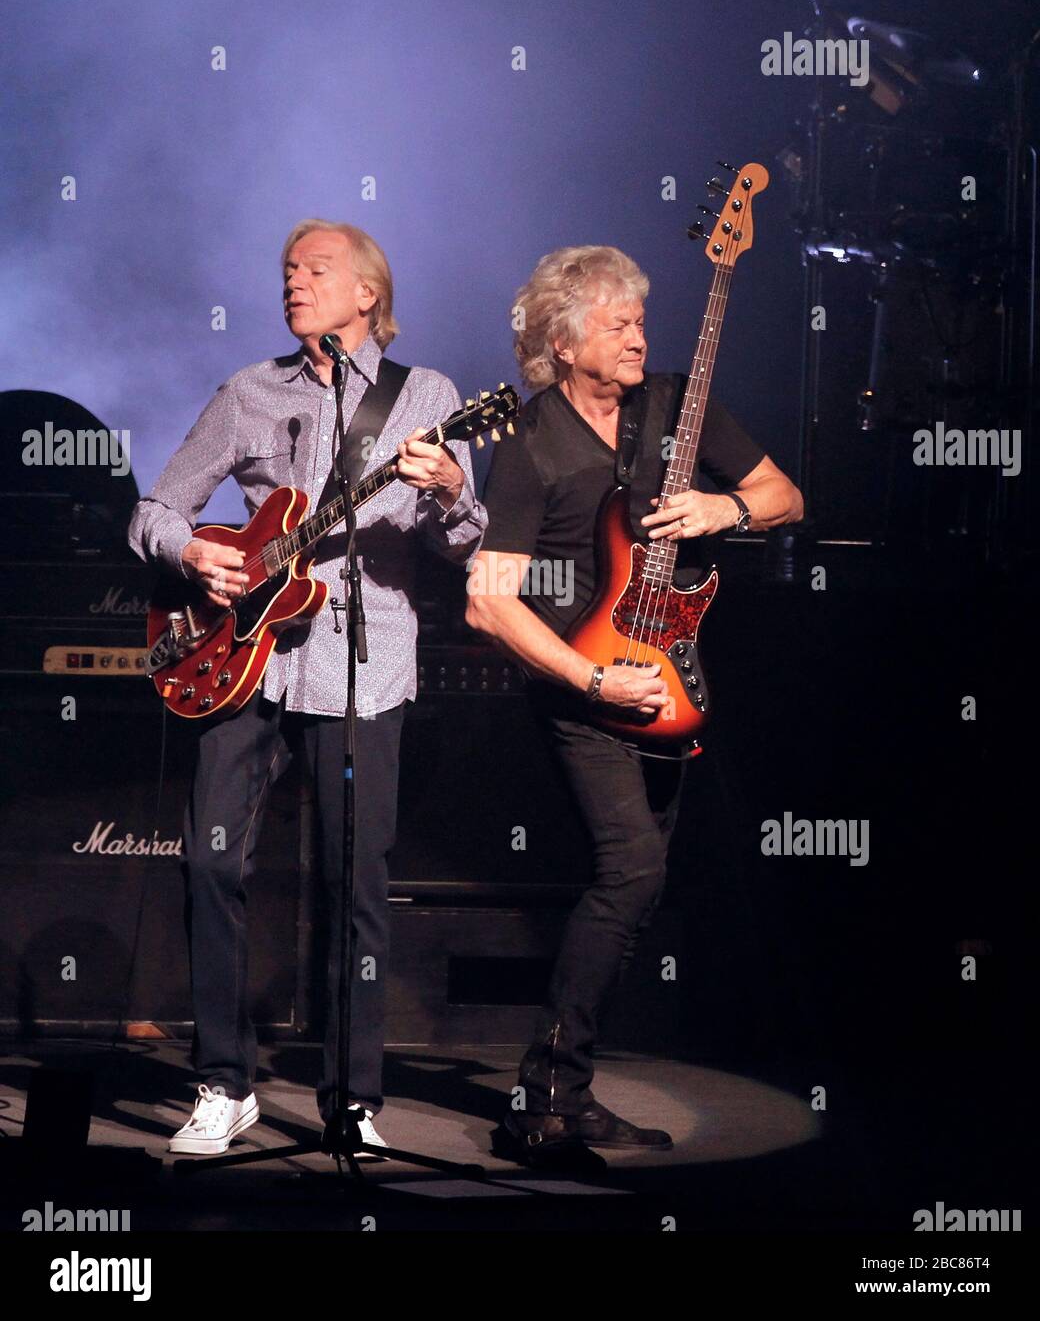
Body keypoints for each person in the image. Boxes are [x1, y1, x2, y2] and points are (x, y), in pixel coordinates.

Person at [129, 219, 487, 1155]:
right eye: (287, 270)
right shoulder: (251, 392)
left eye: (316, 270)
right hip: (243, 660)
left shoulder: (431, 398)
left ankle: (352, 1096)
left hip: (362, 669)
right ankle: (222, 1080)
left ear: (367, 294)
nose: (294, 282)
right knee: (210, 864)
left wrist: (450, 485)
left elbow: (464, 544)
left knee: (353, 883)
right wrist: (195, 549)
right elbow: (156, 508)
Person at [466, 245, 803, 1167]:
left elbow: (785, 493)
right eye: (616, 325)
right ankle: (540, 1095)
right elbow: (488, 602)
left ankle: (566, 1091)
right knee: (630, 873)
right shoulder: (530, 442)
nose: (636, 338)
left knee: (640, 887)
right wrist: (591, 680)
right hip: (585, 689)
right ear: (562, 341)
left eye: (640, 322)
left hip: (673, 682)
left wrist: (717, 512)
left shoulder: (673, 405)